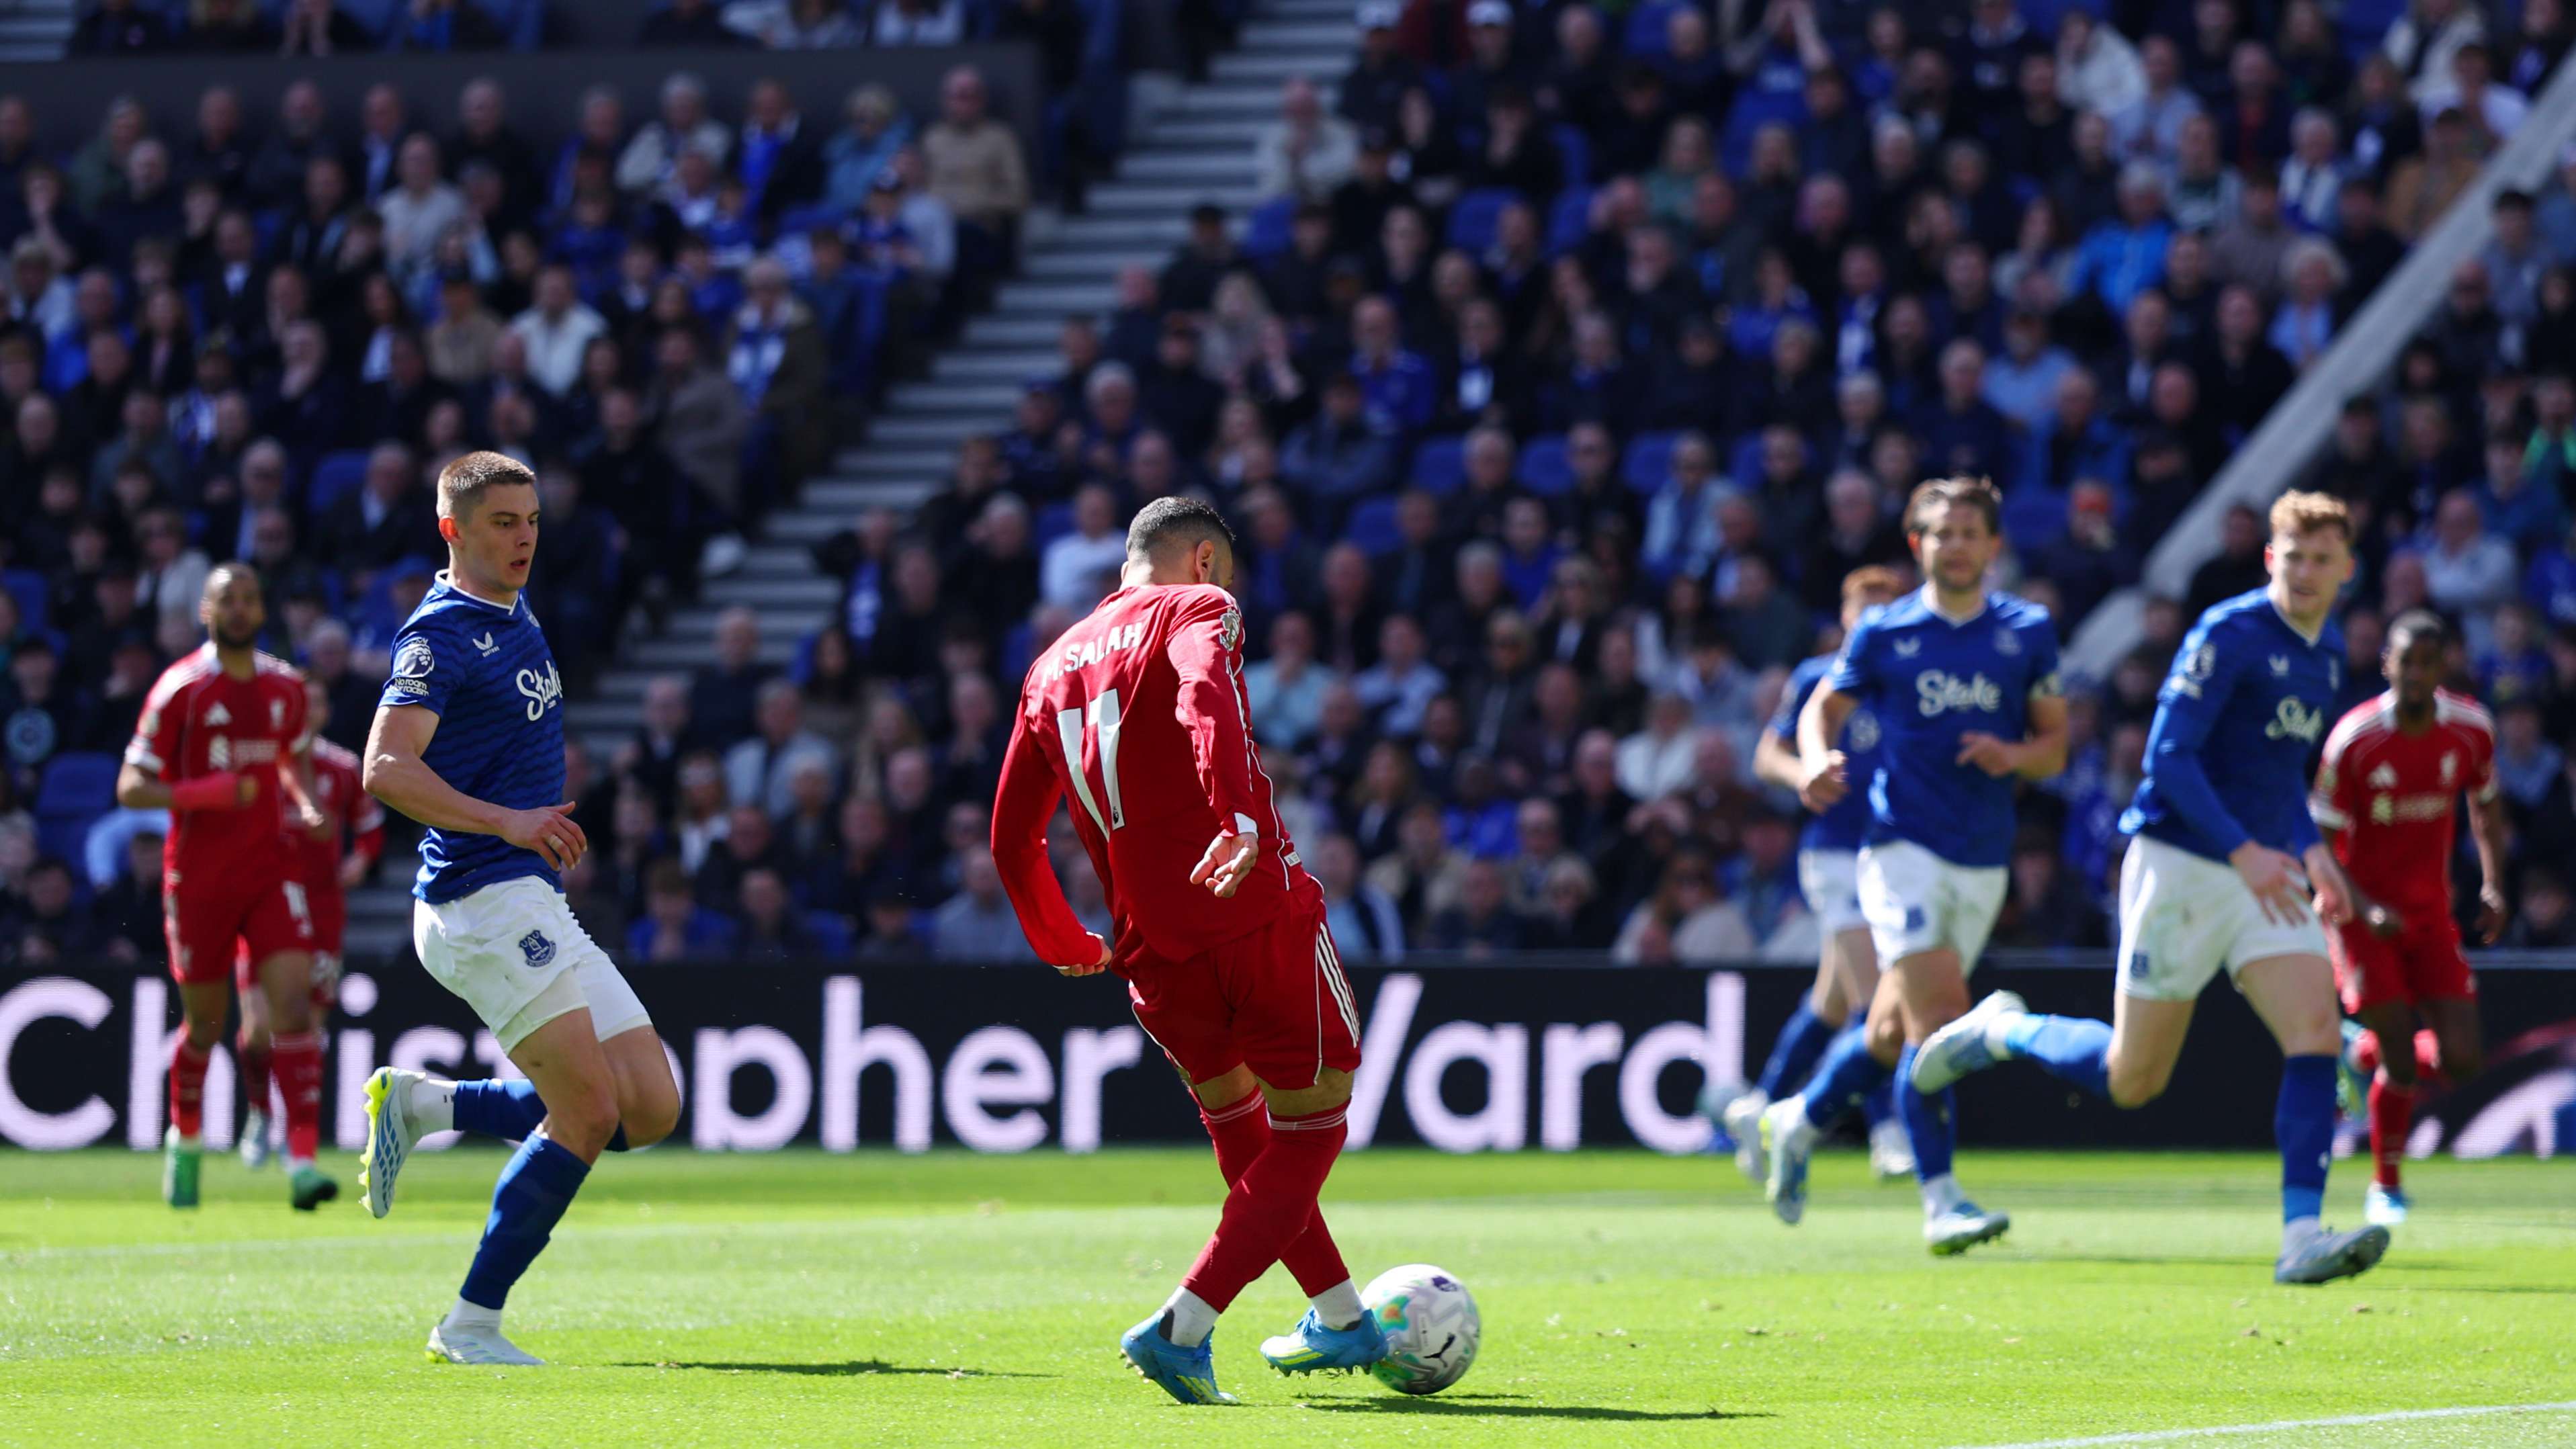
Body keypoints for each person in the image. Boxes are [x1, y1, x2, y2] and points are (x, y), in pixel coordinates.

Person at [1910, 492, 2391, 1286]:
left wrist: (2316, 856)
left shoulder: (2326, 651)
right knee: (2133, 1081)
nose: (2305, 572)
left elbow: (2275, 778)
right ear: (2269, 558)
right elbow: (2168, 758)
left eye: (2321, 559)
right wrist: (2244, 851)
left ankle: (2301, 1235)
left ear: (2346, 568)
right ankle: (2005, 1031)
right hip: (2182, 866)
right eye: (2292, 556)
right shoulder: (2230, 633)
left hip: (2261, 871)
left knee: (2312, 1029)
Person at [988, 496, 1383, 1403]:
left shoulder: (1048, 668)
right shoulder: (1198, 609)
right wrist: (1236, 811)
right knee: (1315, 1120)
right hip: (1248, 910)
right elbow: (1207, 692)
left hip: (1149, 950)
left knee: (1242, 1127)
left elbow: (1012, 838)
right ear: (1203, 559)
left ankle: (1341, 1314)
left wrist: (1060, 936)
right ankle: (1184, 1322)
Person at [352, 453, 683, 1365]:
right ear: (452, 529)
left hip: (528, 893)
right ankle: (470, 1323)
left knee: (646, 1107)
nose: (524, 535)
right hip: (478, 899)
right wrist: (508, 819)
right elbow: (382, 768)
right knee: (582, 1116)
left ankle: (426, 1103)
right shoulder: (442, 634)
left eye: (531, 518)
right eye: (501, 521)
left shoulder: (512, 606)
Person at [1764, 477, 2068, 1256]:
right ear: (1918, 545)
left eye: (1970, 532)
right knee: (1940, 1018)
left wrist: (2015, 754)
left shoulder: (2028, 631)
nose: (1956, 545)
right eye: (1941, 533)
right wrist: (1810, 764)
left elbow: (2055, 747)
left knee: (1891, 1030)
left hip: (1981, 857)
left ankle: (1796, 1122)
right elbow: (1822, 708)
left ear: (1993, 546)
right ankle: (1943, 1200)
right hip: (1899, 849)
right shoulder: (1885, 633)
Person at [118, 565, 335, 1213]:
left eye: (249, 599)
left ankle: (301, 1159)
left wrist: (305, 801)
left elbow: (287, 760)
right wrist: (205, 793)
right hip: (200, 880)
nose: (241, 609)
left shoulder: (286, 687)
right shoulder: (180, 688)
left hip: (269, 870)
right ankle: (185, 1140)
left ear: (262, 609)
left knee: (294, 1008)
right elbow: (131, 787)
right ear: (205, 612)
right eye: (227, 600)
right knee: (206, 1026)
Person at [2310, 611, 2507, 1227]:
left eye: (2429, 661)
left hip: (2429, 915)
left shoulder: (2472, 729)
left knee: (2465, 1060)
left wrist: (2495, 883)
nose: (2417, 673)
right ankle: (2385, 1187)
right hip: (2360, 918)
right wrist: (2361, 904)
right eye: (2406, 661)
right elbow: (2319, 839)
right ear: (2387, 665)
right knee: (2403, 1058)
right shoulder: (2355, 740)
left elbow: (2486, 806)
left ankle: (2359, 1048)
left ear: (2443, 665)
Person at [1724, 566, 1911, 1181]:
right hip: (1833, 854)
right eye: (1867, 608)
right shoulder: (1817, 679)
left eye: (1889, 607)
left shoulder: (1908, 681)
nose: (1877, 618)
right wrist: (1803, 773)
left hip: (1892, 853)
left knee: (1831, 1001)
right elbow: (1766, 756)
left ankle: (1756, 1106)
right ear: (1846, 615)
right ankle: (1889, 1132)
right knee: (1873, 997)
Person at [235, 678, 385, 1172]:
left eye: (316, 701)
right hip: (263, 905)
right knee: (258, 1031)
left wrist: (360, 862)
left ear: (322, 711)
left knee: (305, 1028)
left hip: (321, 913)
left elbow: (369, 830)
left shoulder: (343, 769)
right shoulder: (260, 766)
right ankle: (260, 1112)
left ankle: (295, 1134)